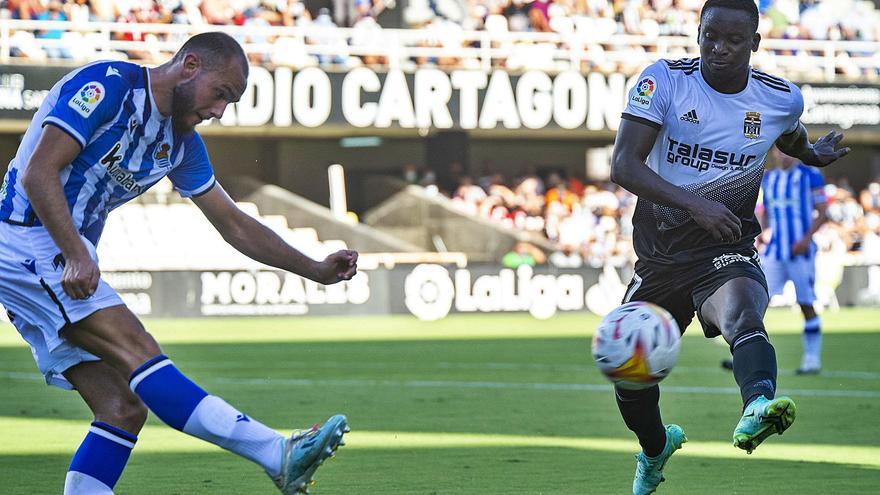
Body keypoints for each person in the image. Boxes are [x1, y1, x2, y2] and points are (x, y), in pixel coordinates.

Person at [0, 32, 357, 494]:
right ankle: (276, 452)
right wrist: (74, 254)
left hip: (55, 256)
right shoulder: (107, 87)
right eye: (220, 93)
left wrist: (315, 268)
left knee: (122, 407)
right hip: (26, 238)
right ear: (190, 66)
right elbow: (38, 172)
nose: (219, 111)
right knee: (139, 350)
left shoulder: (182, 144)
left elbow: (234, 224)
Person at [609, 1, 849, 494]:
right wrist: (695, 205)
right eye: (709, 36)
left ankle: (757, 406)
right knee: (629, 377)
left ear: (755, 44)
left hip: (726, 245)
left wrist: (811, 155)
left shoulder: (780, 98)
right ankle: (656, 448)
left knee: (741, 313)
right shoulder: (665, 82)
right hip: (660, 257)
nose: (718, 48)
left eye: (734, 40)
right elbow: (624, 166)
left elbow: (789, 132)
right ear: (698, 32)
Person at [722, 147, 828, 374]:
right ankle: (744, 352)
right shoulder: (769, 179)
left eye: (789, 151)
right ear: (775, 154)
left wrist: (806, 239)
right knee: (756, 301)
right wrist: (763, 233)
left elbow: (823, 211)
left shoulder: (810, 175)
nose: (784, 155)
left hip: (802, 252)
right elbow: (766, 211)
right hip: (775, 252)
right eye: (780, 151)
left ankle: (812, 358)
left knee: (806, 303)